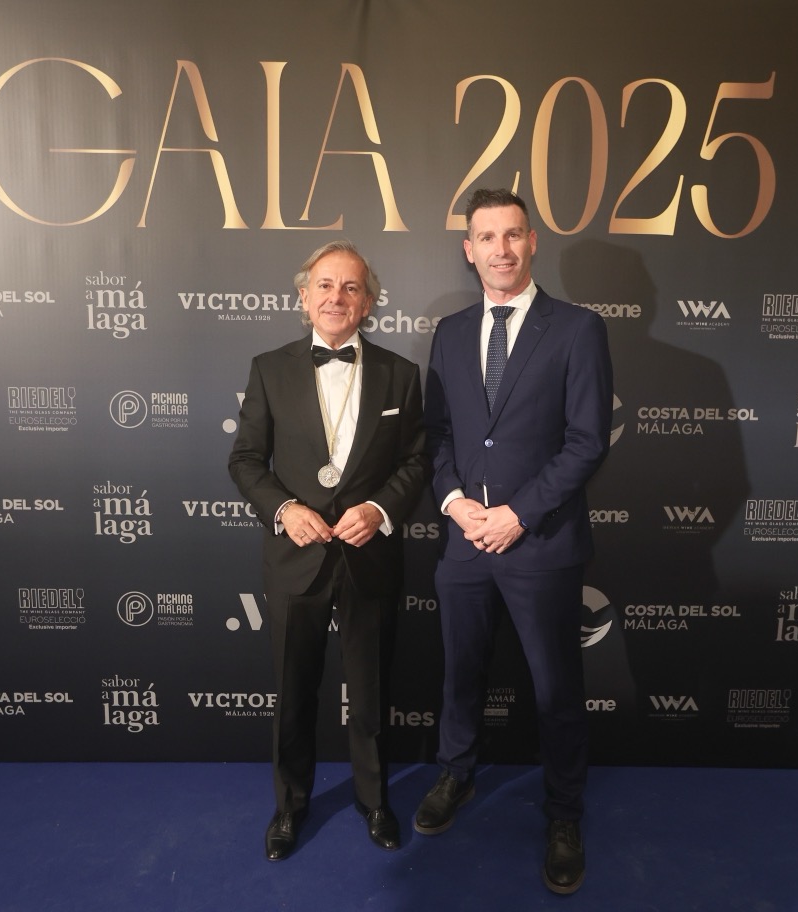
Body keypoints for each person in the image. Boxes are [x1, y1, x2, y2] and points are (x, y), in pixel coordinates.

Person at [417, 189, 613, 894]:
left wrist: (519, 514)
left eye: (512, 235)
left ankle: (564, 814)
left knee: (556, 688)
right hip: (465, 540)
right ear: (468, 249)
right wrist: (454, 503)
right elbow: (437, 435)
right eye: (486, 237)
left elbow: (587, 441)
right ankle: (456, 774)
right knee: (460, 673)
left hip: (542, 542)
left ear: (533, 242)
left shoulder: (578, 329)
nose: (500, 249)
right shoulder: (449, 332)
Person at [229, 240, 427, 861]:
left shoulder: (402, 374)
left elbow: (416, 461)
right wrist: (286, 510)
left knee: (370, 691)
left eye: (350, 287)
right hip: (296, 558)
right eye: (324, 285)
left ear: (368, 302)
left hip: (369, 556)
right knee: (294, 691)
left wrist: (379, 510)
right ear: (303, 296)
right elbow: (245, 460)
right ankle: (290, 805)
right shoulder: (269, 368)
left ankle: (374, 800)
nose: (336, 297)